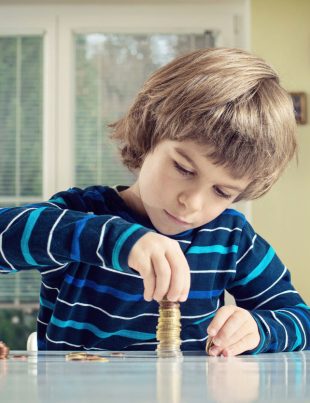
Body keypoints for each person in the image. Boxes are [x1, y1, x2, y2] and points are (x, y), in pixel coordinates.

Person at [0, 48, 309, 355]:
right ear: (150, 135)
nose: (192, 202)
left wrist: (258, 330)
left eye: (222, 192)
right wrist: (114, 239)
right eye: (184, 168)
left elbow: (300, 319)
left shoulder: (232, 238)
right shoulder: (82, 213)